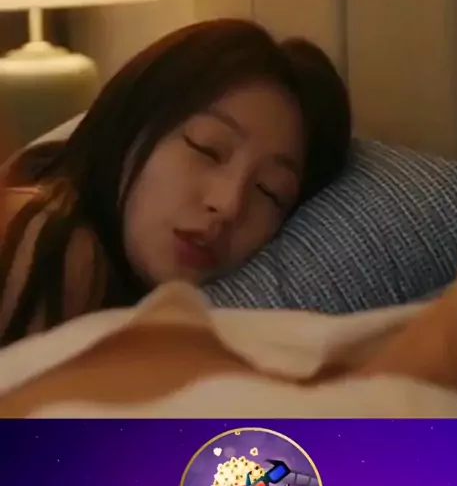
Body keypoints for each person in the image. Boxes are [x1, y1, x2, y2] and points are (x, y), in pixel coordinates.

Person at [0, 18, 351, 345]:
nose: (228, 204)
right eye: (206, 148)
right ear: (134, 123)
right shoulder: (58, 245)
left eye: (269, 191)